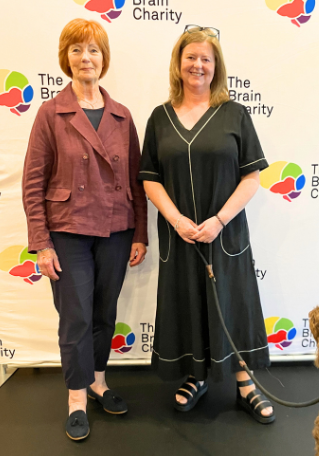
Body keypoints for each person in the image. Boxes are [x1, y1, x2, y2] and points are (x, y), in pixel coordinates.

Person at [139, 25, 275, 423]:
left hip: (225, 233)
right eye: (191, 58)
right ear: (178, 64)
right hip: (179, 235)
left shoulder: (235, 113)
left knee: (234, 304)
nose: (198, 65)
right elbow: (150, 177)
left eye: (206, 59)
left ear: (217, 67)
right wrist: (177, 219)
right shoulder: (160, 118)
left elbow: (252, 177)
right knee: (188, 303)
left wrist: (218, 220)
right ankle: (195, 375)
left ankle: (245, 382)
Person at [21, 18, 148, 441]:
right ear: (66, 59)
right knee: (75, 317)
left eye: (92, 50)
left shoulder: (121, 115)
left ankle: (97, 381)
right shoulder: (50, 113)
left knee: (104, 313)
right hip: (68, 231)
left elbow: (136, 180)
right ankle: (76, 397)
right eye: (76, 50)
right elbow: (33, 182)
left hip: (115, 229)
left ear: (103, 58)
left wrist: (141, 233)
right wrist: (41, 244)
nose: (85, 58)